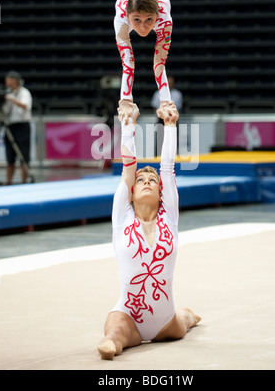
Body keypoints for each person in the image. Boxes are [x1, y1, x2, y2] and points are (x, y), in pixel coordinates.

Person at [97, 100, 201, 360]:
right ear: (130, 195)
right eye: (140, 181)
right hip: (129, 315)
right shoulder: (122, 217)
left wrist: (169, 125)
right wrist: (128, 125)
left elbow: (167, 168)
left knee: (183, 323)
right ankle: (113, 341)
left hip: (166, 321)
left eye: (152, 181)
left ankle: (186, 315)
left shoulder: (169, 218)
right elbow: (128, 169)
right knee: (114, 335)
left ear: (160, 193)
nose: (146, 182)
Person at [115, 0, 173, 123]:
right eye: (137, 20)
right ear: (128, 16)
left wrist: (166, 101)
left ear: (157, 15)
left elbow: (159, 62)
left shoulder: (164, 19)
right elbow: (128, 62)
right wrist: (124, 100)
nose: (142, 27)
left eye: (149, 20)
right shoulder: (121, 17)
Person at [2, 71, 32, 184]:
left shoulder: (24, 92)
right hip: (10, 126)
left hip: (22, 126)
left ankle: (24, 181)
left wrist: (12, 99)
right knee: (10, 156)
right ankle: (8, 181)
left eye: (9, 80)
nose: (7, 83)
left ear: (15, 80)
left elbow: (25, 106)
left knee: (24, 155)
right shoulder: (6, 93)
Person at [151, 75, 183, 156]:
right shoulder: (157, 93)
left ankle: (173, 156)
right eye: (168, 82)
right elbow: (154, 107)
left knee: (173, 139)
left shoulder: (177, 94)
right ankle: (157, 156)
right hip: (161, 119)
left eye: (171, 82)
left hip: (172, 119)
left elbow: (177, 107)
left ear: (173, 83)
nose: (169, 84)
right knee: (159, 139)